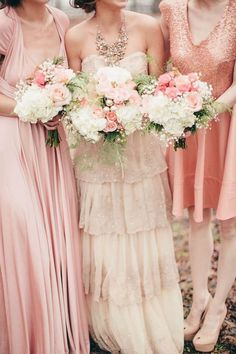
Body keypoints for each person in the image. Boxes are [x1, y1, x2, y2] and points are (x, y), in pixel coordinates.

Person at [65, 0, 184, 353]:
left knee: (141, 232)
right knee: (103, 237)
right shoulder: (74, 37)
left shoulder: (149, 27)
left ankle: (147, 324)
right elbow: (73, 105)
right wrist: (97, 114)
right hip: (96, 159)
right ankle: (105, 322)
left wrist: (131, 109)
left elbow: (159, 92)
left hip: (139, 156)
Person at [0, 0, 89, 353]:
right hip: (10, 139)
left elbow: (69, 82)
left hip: (51, 144)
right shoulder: (4, 25)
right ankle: (30, 337)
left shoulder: (62, 20)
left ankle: (57, 328)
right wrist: (33, 109)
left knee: (55, 233)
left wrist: (61, 105)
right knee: (23, 227)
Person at [160, 0, 236, 352]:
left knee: (230, 221)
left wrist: (209, 108)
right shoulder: (171, 10)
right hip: (187, 128)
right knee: (197, 215)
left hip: (226, 126)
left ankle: (219, 304)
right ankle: (200, 298)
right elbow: (161, 68)